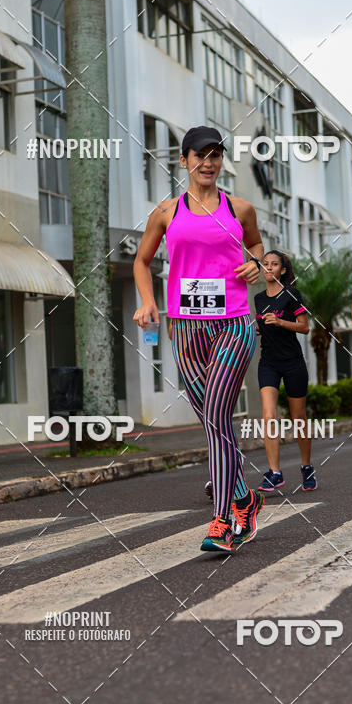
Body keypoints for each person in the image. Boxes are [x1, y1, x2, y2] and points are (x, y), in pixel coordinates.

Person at [133, 126, 265, 553]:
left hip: (234, 323)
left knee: (216, 413)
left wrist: (256, 266)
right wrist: (149, 301)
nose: (208, 163)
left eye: (215, 155)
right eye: (200, 155)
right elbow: (141, 260)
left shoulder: (240, 208)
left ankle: (222, 522)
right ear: (184, 160)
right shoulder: (166, 212)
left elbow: (258, 246)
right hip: (185, 327)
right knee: (213, 420)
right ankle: (246, 498)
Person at [253, 251, 315, 492]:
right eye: (265, 264)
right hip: (268, 362)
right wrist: (261, 329)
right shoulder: (258, 298)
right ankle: (275, 472)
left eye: (274, 264)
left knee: (298, 419)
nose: (268, 268)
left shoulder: (292, 294)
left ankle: (307, 467)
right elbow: (262, 324)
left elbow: (305, 328)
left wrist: (279, 322)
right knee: (268, 416)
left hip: (292, 363)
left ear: (283, 270)